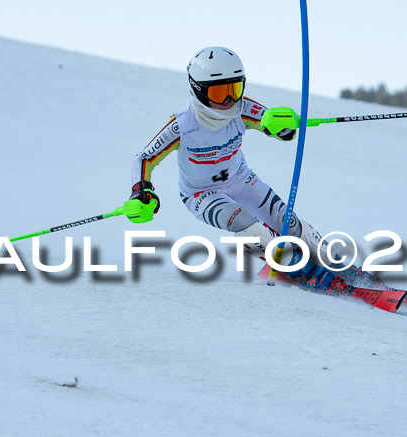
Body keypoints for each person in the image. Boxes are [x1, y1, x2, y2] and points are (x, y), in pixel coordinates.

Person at [123, 46, 381, 290]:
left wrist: (285, 125)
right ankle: (299, 271)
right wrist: (141, 191)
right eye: (217, 93)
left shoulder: (242, 108)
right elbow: (144, 158)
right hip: (201, 194)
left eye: (234, 89)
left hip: (241, 180)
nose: (228, 101)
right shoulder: (183, 125)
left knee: (288, 224)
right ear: (199, 90)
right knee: (246, 224)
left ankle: (342, 268)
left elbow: (275, 124)